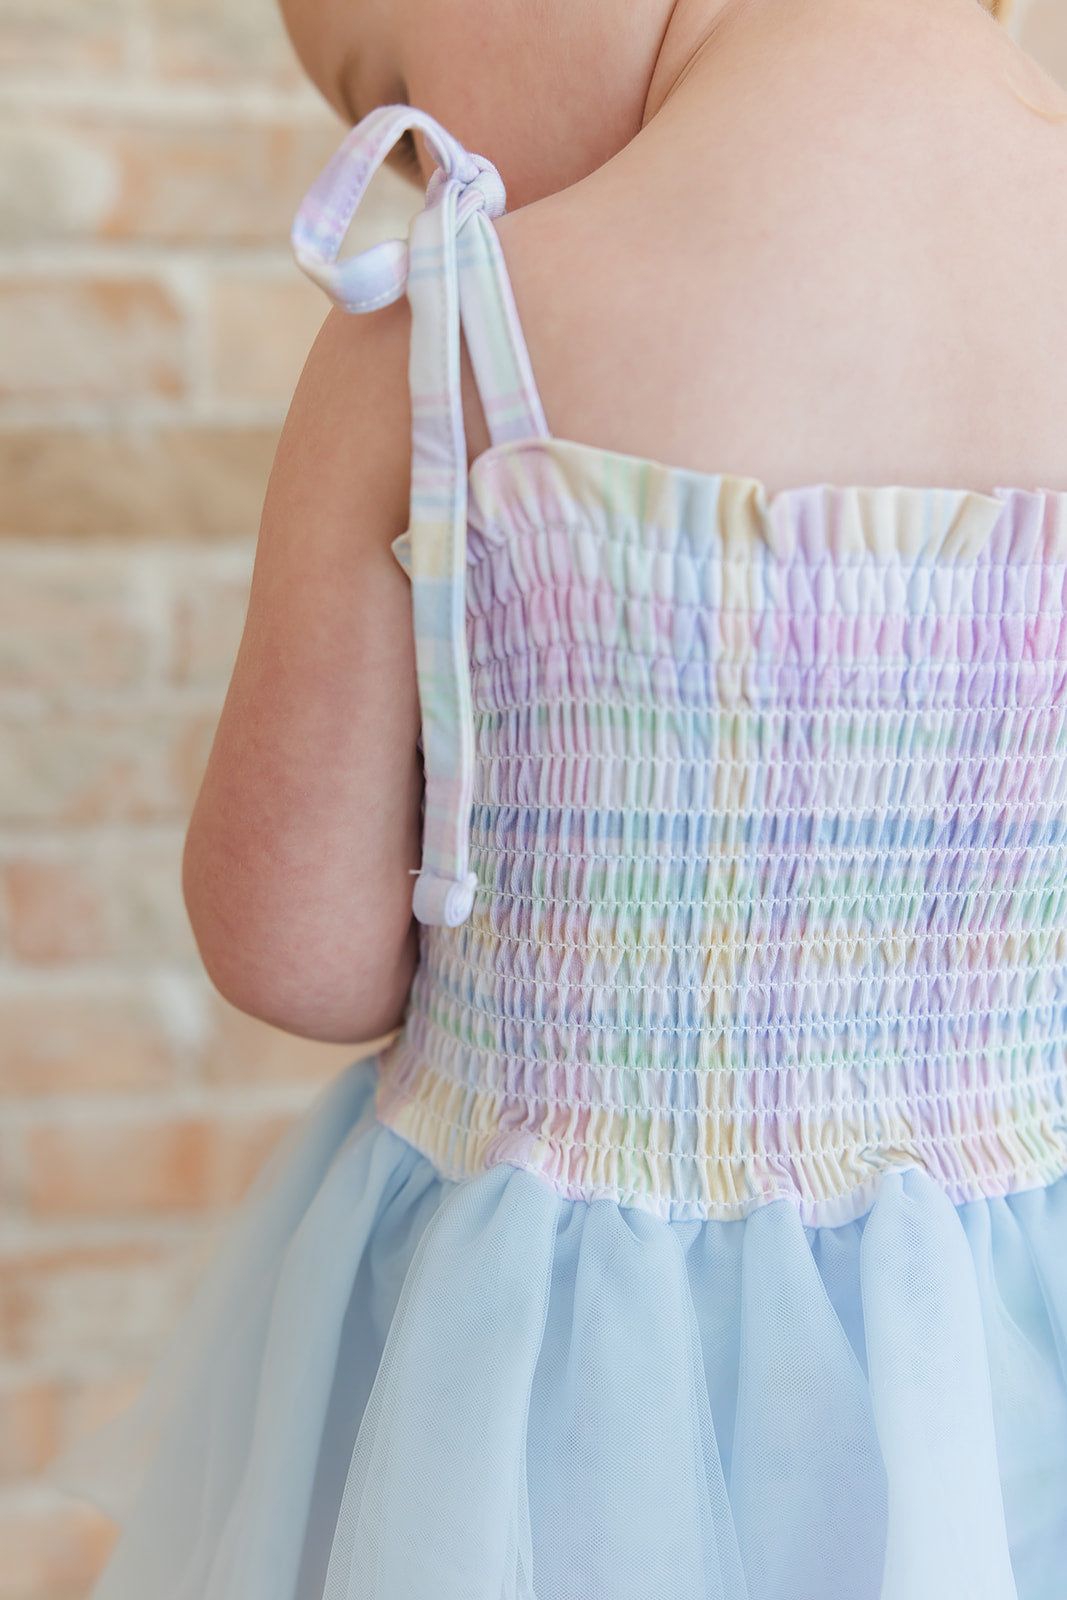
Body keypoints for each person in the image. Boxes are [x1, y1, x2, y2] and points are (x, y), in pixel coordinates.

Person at [46, 0, 1067, 1595]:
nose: (410, 172)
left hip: (553, 1387)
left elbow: (290, 949)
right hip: (1014, 1360)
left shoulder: (449, 335)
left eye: (384, 84)